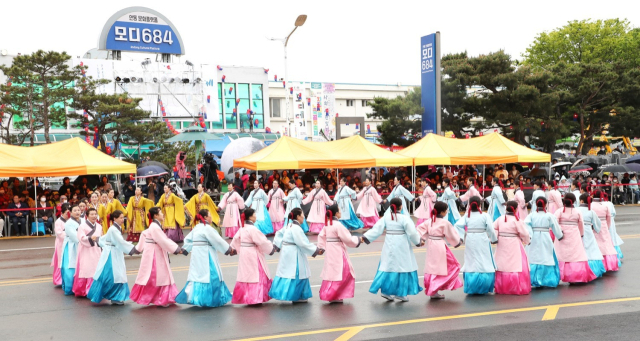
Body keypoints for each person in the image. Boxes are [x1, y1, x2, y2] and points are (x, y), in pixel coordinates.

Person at [361, 198, 423, 302]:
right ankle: (401, 293)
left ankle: (386, 291)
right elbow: (412, 233)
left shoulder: (386, 217)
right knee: (402, 267)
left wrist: (365, 237)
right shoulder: (405, 218)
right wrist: (418, 242)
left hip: (389, 243)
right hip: (402, 244)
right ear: (401, 206)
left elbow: (377, 229)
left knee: (388, 265)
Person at [130, 207, 188, 307]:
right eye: (161, 212)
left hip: (153, 251)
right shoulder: (155, 227)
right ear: (156, 215)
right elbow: (163, 241)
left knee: (154, 277)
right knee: (158, 276)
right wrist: (178, 249)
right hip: (154, 254)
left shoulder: (154, 226)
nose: (162, 214)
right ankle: (161, 298)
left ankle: (157, 297)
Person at [176, 209, 234, 308]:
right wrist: (229, 249)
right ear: (206, 217)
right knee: (212, 275)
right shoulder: (207, 228)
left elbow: (188, 239)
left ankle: (197, 297)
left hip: (196, 255)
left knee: (197, 274)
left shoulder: (196, 228)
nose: (211, 216)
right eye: (210, 214)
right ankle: (211, 299)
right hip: (206, 254)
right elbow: (218, 240)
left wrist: (185, 249)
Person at [270, 208, 320, 303]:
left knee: (286, 272)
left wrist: (278, 245)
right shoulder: (296, 228)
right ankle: (297, 296)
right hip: (294, 253)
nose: (303, 217)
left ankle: (292, 294)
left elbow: (278, 233)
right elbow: (302, 243)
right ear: (298, 216)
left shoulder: (289, 225)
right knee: (297, 273)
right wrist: (316, 250)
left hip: (287, 252)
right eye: (302, 215)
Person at [87, 210, 136, 305]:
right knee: (113, 275)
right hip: (112, 254)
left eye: (123, 218)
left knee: (114, 275)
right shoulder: (113, 229)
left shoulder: (115, 228)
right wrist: (133, 249)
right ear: (115, 218)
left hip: (114, 252)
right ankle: (115, 297)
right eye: (121, 218)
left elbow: (106, 238)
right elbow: (120, 242)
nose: (123, 219)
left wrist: (98, 239)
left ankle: (115, 296)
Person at [230, 208, 276, 305]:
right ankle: (256, 298)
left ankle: (246, 297)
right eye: (255, 214)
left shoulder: (242, 228)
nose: (256, 216)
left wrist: (234, 249)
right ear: (251, 216)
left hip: (244, 253)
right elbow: (262, 241)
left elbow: (235, 239)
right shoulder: (253, 229)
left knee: (246, 275)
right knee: (257, 274)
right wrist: (271, 249)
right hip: (253, 253)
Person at [417, 201, 463, 299]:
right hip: (439, 244)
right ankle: (434, 289)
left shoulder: (430, 220)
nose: (447, 212)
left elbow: (420, 228)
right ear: (442, 212)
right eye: (446, 210)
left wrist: (422, 238)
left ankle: (433, 289)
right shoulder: (444, 222)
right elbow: (451, 234)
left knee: (432, 266)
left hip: (431, 244)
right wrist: (457, 242)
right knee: (443, 265)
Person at [452, 196, 497, 295]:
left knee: (471, 260)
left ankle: (472, 285)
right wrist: (494, 239)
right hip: (482, 238)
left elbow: (457, 225)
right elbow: (491, 229)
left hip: (470, 238)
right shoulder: (485, 216)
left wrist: (460, 238)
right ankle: (485, 285)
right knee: (484, 259)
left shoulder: (467, 216)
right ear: (480, 204)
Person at [317, 206, 361, 303]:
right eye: (340, 211)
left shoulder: (327, 224)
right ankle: (336, 295)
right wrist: (357, 240)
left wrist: (321, 247)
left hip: (330, 250)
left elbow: (321, 236)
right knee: (343, 272)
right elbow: (347, 239)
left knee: (332, 272)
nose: (341, 212)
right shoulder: (338, 225)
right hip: (338, 250)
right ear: (336, 213)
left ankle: (331, 294)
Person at [553, 193, 597, 283]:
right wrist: (581, 234)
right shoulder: (577, 211)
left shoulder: (560, 211)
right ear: (574, 201)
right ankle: (575, 276)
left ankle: (559, 275)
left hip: (562, 236)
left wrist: (558, 233)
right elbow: (581, 224)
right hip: (574, 235)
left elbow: (554, 223)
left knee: (561, 255)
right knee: (576, 255)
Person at [523, 197, 564, 288]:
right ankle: (546, 279)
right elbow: (555, 227)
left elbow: (526, 224)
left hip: (534, 237)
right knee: (546, 256)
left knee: (533, 257)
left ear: (536, 204)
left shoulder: (531, 215)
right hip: (545, 237)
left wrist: (529, 235)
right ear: (546, 204)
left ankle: (532, 279)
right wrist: (560, 236)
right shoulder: (549, 215)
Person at [493, 201, 531, 295]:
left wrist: (496, 238)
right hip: (514, 243)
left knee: (502, 264)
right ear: (516, 209)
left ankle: (502, 286)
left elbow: (493, 229)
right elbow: (525, 233)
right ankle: (515, 287)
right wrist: (527, 241)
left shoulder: (500, 219)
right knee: (516, 265)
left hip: (502, 243)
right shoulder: (517, 220)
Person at [73, 208, 102, 297]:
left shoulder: (99, 226)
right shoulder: (82, 226)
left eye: (95, 214)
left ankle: (94, 291)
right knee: (87, 268)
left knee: (96, 269)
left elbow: (101, 238)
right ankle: (86, 291)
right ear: (87, 216)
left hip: (96, 250)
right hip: (86, 250)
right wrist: (89, 238)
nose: (94, 216)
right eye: (92, 214)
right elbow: (81, 238)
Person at [576, 194, 606, 278]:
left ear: (581, 201)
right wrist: (595, 228)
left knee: (580, 249)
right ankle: (594, 270)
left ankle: (580, 270)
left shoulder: (576, 209)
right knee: (591, 249)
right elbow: (597, 223)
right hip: (588, 231)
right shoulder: (591, 211)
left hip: (578, 231)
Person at [590, 191, 619, 272]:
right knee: (606, 244)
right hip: (604, 225)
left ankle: (598, 265)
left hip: (593, 226)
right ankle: (609, 264)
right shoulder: (605, 205)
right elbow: (609, 217)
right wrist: (607, 226)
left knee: (596, 244)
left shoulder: (591, 205)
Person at [61, 205, 82, 295]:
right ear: (70, 212)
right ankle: (70, 287)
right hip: (71, 246)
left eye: (78, 210)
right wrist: (83, 241)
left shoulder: (83, 220)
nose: (77, 212)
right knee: (70, 266)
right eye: (75, 210)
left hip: (81, 244)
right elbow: (74, 236)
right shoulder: (68, 223)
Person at [601, 194, 624, 263]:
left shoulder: (600, 204)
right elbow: (614, 213)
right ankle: (617, 255)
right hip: (611, 222)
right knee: (613, 238)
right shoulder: (610, 203)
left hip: (604, 222)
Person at [51, 204, 70, 286]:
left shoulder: (69, 221)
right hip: (61, 243)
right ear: (62, 213)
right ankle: (59, 279)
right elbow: (59, 233)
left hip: (69, 242)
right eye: (66, 213)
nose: (68, 215)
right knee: (60, 260)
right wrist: (69, 234)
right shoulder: (58, 221)